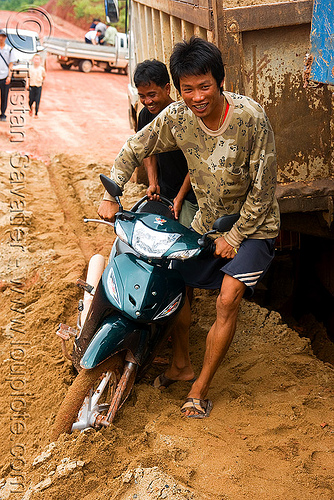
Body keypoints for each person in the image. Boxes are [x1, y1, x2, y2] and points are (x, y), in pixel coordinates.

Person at [98, 37, 280, 418]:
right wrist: (113, 189)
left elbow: (264, 190)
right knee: (176, 284)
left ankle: (199, 389)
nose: (197, 97)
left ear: (220, 81)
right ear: (177, 90)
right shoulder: (178, 117)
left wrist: (235, 236)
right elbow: (136, 146)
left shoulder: (250, 118)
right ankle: (181, 364)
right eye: (188, 89)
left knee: (228, 298)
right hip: (207, 222)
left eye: (205, 86)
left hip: (254, 226)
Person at [134, 59, 198, 227]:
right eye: (142, 96)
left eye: (152, 95)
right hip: (165, 191)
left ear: (167, 89)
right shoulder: (145, 116)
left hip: (192, 194)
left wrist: (180, 198)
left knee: (184, 236)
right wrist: (153, 182)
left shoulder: (186, 118)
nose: (147, 101)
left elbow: (197, 163)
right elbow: (148, 151)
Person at [0, 29, 14, 122]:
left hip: (5, 76)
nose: (1, 38)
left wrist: (9, 76)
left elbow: (11, 64)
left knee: (4, 96)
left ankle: (3, 113)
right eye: (0, 36)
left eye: (3, 36)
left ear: (6, 38)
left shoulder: (9, 49)